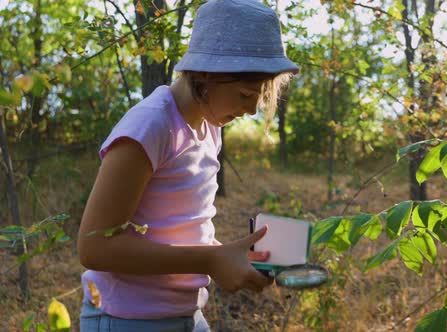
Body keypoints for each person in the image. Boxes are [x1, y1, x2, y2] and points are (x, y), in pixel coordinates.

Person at [77, 0, 299, 330]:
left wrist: (229, 256)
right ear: (207, 74)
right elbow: (94, 247)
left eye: (259, 96)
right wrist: (210, 260)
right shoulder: (149, 127)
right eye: (244, 94)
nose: (252, 109)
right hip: (125, 319)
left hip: (186, 315)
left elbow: (179, 229)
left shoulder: (210, 126)